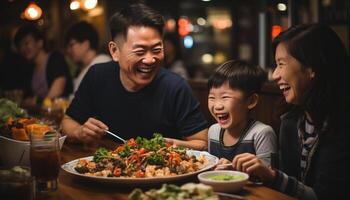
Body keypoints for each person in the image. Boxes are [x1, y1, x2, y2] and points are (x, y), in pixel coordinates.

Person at [61, 3, 208, 150]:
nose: (150, 60)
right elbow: (68, 122)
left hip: (162, 171)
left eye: (157, 49)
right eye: (140, 51)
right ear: (114, 51)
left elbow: (202, 142)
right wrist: (79, 132)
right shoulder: (98, 76)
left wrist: (172, 146)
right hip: (106, 169)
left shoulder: (175, 87)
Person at [231, 24, 350, 200]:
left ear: (311, 69)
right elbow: (291, 186)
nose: (274, 75)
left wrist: (272, 176)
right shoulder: (291, 120)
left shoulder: (341, 126)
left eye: (281, 64)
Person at [207, 60, 277, 169]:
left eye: (225, 97)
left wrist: (232, 171)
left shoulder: (261, 134)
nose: (217, 106)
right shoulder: (213, 131)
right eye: (211, 98)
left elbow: (268, 178)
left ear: (251, 101)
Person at [14, 24, 73, 106]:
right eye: (20, 45)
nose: (23, 48)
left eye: (26, 43)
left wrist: (39, 102)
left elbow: (58, 89)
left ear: (40, 42)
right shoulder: (30, 68)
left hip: (62, 111)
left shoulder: (55, 58)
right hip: (42, 115)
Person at [65, 21, 111, 95]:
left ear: (86, 44)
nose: (68, 50)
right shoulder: (84, 68)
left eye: (71, 45)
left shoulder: (101, 64)